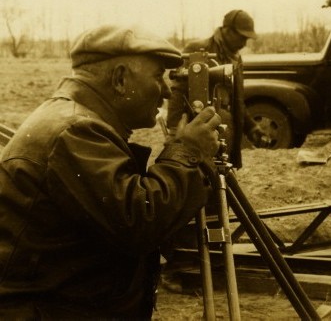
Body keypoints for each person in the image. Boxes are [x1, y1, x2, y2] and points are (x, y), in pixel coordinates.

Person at [0, 25, 222, 319]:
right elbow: (139, 221)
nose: (167, 92)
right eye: (158, 77)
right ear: (119, 78)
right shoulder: (75, 130)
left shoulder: (79, 122)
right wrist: (188, 151)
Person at [167, 9, 266, 169]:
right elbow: (177, 92)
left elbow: (237, 99)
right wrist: (173, 132)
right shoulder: (198, 50)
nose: (244, 43)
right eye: (242, 37)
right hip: (201, 131)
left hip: (227, 129)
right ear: (226, 30)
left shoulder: (235, 57)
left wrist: (251, 126)